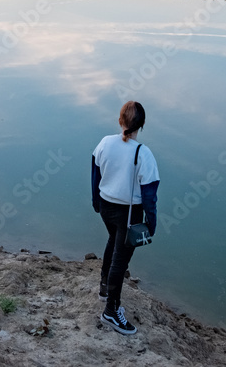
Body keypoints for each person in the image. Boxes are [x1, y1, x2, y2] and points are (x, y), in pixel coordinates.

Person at [91, 100, 159, 335]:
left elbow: (95, 171)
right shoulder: (143, 154)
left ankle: (103, 288)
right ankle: (111, 310)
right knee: (121, 261)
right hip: (129, 213)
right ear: (141, 125)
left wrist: (96, 202)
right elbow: (150, 195)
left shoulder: (104, 143)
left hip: (106, 207)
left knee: (113, 241)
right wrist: (152, 223)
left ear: (120, 121)